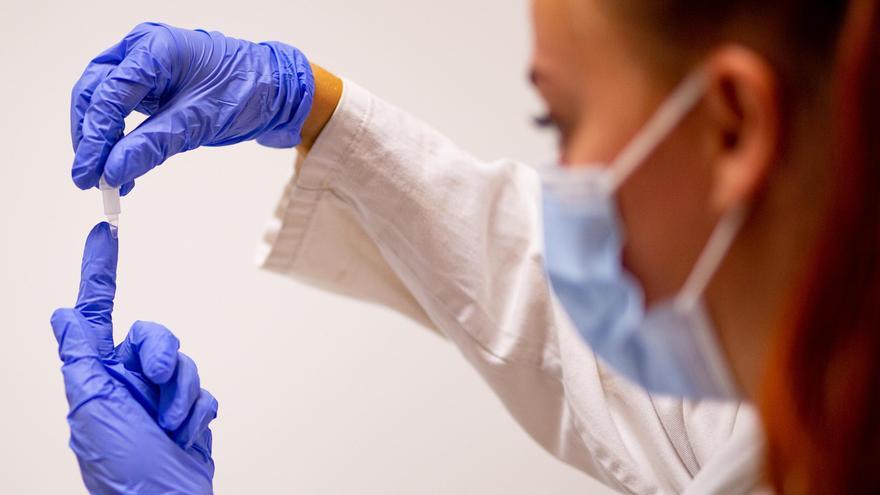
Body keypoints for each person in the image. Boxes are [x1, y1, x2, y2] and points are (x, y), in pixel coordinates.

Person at [55, 0, 880, 493]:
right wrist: (308, 105)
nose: (559, 189)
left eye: (558, 120)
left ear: (732, 126)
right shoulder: (793, 412)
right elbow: (569, 338)